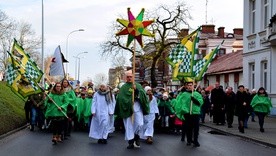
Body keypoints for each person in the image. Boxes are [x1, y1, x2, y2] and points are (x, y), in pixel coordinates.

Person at [114, 72, 149, 149]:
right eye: (128, 77)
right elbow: (120, 98)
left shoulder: (138, 85)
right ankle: (130, 142)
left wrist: (136, 91)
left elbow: (143, 95)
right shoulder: (123, 87)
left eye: (131, 77)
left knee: (140, 124)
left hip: (137, 108)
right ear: (125, 78)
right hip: (127, 109)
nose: (129, 78)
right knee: (129, 126)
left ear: (133, 77)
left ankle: (136, 135)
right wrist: (129, 101)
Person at [174, 82, 203, 147]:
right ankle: (189, 140)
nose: (189, 87)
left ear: (194, 86)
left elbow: (200, 102)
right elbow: (179, 102)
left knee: (196, 128)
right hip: (187, 113)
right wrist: (181, 110)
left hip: (195, 113)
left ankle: (195, 140)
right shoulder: (184, 94)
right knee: (188, 128)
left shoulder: (197, 94)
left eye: (191, 85)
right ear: (187, 86)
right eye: (188, 85)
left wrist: (194, 100)